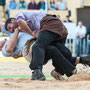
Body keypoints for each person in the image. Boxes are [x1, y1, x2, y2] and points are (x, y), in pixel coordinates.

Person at [1, 22, 90, 80]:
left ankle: (58, 71)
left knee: (61, 50)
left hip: (38, 43)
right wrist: (17, 29)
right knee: (52, 49)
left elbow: (3, 25)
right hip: (30, 49)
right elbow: (10, 48)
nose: (11, 29)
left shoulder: (9, 33)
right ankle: (74, 71)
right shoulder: (5, 48)